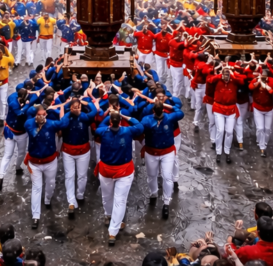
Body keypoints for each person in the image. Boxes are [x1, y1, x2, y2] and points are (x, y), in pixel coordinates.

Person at [95, 108, 144, 246]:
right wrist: (123, 116)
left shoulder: (103, 131)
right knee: (120, 200)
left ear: (110, 122)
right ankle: (113, 231)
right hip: (124, 171)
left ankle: (109, 216)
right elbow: (139, 126)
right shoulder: (128, 131)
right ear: (120, 121)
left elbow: (100, 126)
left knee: (106, 196)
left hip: (106, 170)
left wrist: (110, 115)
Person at [140, 96, 184, 219]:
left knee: (165, 176)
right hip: (152, 152)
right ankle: (154, 194)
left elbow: (181, 113)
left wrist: (153, 103)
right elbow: (179, 111)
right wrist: (165, 105)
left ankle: (166, 202)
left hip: (166, 152)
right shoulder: (149, 120)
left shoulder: (164, 118)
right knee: (153, 176)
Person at [24, 105, 64, 229]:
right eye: (39, 115)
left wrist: (62, 108)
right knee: (37, 188)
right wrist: (39, 126)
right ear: (35, 115)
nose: (41, 117)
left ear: (46, 114)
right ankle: (35, 216)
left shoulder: (52, 124)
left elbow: (63, 123)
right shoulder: (29, 123)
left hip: (50, 162)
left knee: (51, 184)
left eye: (43, 114)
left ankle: (47, 199)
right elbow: (33, 134)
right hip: (35, 163)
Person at [59, 96, 97, 219]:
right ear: (70, 108)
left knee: (82, 175)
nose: (77, 109)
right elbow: (62, 124)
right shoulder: (66, 117)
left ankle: (80, 194)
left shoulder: (85, 117)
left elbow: (94, 111)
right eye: (74, 107)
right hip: (68, 151)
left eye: (79, 107)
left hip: (83, 151)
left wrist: (86, 103)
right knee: (69, 176)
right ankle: (71, 201)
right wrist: (67, 108)